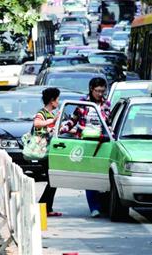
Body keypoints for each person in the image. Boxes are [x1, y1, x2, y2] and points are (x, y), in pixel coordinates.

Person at [60, 77, 111, 218]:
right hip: (85, 142)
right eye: (97, 91)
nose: (100, 94)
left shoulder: (106, 104)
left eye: (102, 91)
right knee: (90, 175)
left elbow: (109, 123)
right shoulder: (82, 103)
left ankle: (103, 204)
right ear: (91, 90)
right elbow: (73, 119)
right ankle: (94, 207)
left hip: (102, 143)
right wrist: (63, 128)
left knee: (103, 175)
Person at [33, 87, 62, 217]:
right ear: (52, 100)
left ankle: (46, 207)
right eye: (58, 99)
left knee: (53, 181)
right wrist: (52, 121)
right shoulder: (43, 113)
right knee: (53, 181)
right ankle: (43, 206)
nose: (58, 102)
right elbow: (37, 123)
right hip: (44, 151)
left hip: (51, 151)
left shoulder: (51, 114)